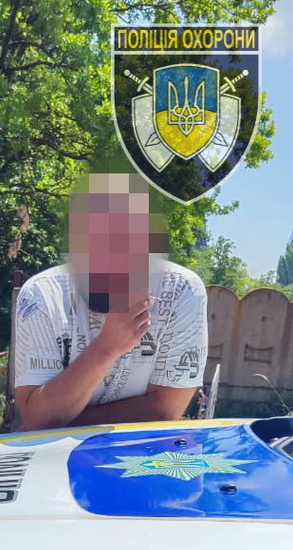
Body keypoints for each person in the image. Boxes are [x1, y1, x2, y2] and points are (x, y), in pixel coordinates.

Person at [14, 169, 208, 431]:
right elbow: (35, 418)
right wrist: (107, 347)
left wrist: (57, 417)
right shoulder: (41, 295)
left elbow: (164, 410)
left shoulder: (181, 291)